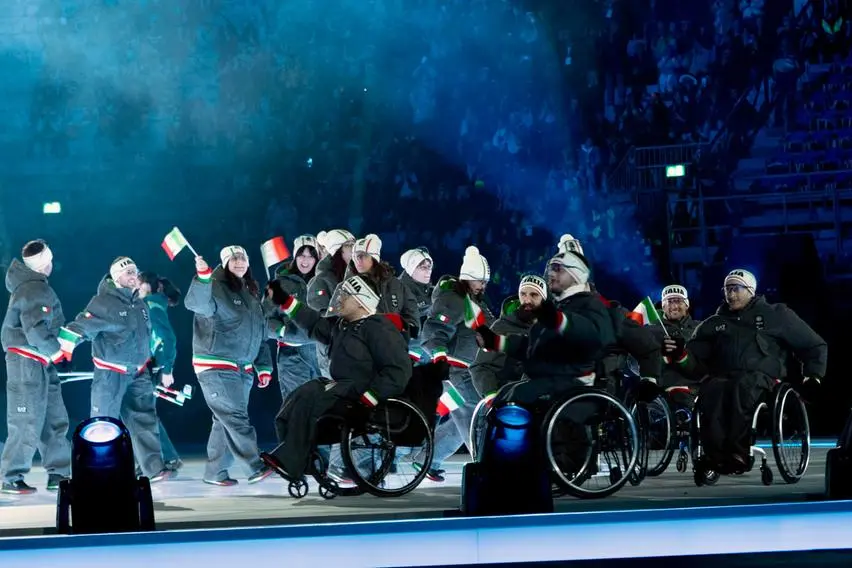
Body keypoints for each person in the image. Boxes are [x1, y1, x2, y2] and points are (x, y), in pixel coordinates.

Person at [666, 269, 828, 473]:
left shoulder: (777, 314)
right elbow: (693, 361)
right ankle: (714, 456)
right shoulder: (714, 323)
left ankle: (738, 452)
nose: (730, 294)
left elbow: (813, 345)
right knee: (711, 389)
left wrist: (813, 376)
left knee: (742, 386)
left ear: (750, 290)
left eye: (736, 289)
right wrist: (679, 354)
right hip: (723, 378)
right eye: (727, 289)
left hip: (763, 379)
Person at [261, 275, 411, 482]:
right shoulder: (342, 326)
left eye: (345, 295)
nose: (338, 298)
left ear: (361, 302)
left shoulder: (379, 328)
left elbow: (398, 370)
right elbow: (313, 322)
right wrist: (284, 300)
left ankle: (290, 460)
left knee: (313, 400)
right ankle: (295, 459)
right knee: (297, 398)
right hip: (341, 387)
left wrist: (372, 396)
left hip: (362, 391)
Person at [59, 257, 172, 483]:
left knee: (145, 420)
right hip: (111, 374)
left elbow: (146, 337)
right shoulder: (103, 302)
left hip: (138, 373)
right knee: (103, 424)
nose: (133, 275)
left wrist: (153, 361)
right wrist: (64, 349)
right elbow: (80, 325)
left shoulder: (140, 304)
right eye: (128, 272)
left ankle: (153, 468)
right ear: (116, 277)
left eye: (135, 271)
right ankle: (98, 472)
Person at [185, 246, 274, 486]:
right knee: (234, 417)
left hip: (243, 368)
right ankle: (254, 465)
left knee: (224, 420)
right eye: (234, 259)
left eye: (243, 258)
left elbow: (260, 332)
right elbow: (196, 304)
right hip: (216, 365)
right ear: (225, 263)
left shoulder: (250, 292)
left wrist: (263, 366)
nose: (239, 262)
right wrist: (202, 277)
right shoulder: (214, 285)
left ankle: (215, 471)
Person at [0, 240, 72, 494]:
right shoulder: (33, 287)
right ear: (44, 263)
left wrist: (56, 350)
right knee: (26, 419)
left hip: (41, 360)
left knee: (54, 418)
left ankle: (58, 473)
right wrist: (57, 351)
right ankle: (11, 476)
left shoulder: (35, 286)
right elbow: (35, 328)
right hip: (26, 361)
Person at [419, 245, 495, 480]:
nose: (483, 286)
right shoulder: (454, 299)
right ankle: (486, 465)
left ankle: (426, 460)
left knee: (459, 421)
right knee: (475, 414)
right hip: (456, 372)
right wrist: (439, 355)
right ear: (468, 278)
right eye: (480, 281)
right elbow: (435, 328)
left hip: (465, 371)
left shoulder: (472, 301)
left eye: (485, 281)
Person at [469, 274, 546, 398]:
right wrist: (491, 396)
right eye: (523, 294)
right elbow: (480, 366)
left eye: (534, 295)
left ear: (544, 299)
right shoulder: (502, 327)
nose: (527, 300)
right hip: (508, 401)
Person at [266, 235, 321, 403]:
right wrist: (282, 331)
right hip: (292, 356)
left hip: (320, 354)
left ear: (317, 258)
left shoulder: (323, 281)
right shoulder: (280, 284)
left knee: (324, 406)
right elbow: (265, 320)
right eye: (301, 255)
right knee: (296, 406)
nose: (306, 260)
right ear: (295, 256)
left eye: (311, 256)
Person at [138, 271, 183, 472]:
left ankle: (164, 458)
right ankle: (161, 457)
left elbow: (168, 338)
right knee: (142, 414)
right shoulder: (150, 303)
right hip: (149, 364)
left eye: (139, 283)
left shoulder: (151, 304)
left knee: (141, 414)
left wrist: (167, 369)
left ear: (149, 286)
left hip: (151, 366)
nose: (136, 286)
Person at [338, 234, 420, 340]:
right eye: (354, 256)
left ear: (374, 257)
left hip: (391, 344)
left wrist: (404, 330)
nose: (357, 260)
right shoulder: (346, 287)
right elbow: (336, 320)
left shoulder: (396, 285)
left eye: (362, 256)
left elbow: (411, 314)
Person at [307, 229, 355, 377]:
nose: (354, 250)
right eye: (349, 246)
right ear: (337, 252)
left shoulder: (359, 275)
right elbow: (319, 320)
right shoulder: (321, 281)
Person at [653, 285, 700, 407]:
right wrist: (663, 357)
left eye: (679, 301)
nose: (674, 306)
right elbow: (634, 365)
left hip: (699, 384)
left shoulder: (700, 328)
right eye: (669, 302)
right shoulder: (651, 330)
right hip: (667, 388)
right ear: (663, 306)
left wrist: (683, 356)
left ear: (687, 305)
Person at [398, 247, 434, 363]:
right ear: (411, 269)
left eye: (429, 267)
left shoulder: (431, 291)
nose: (428, 271)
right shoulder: (398, 290)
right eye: (423, 267)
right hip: (407, 349)